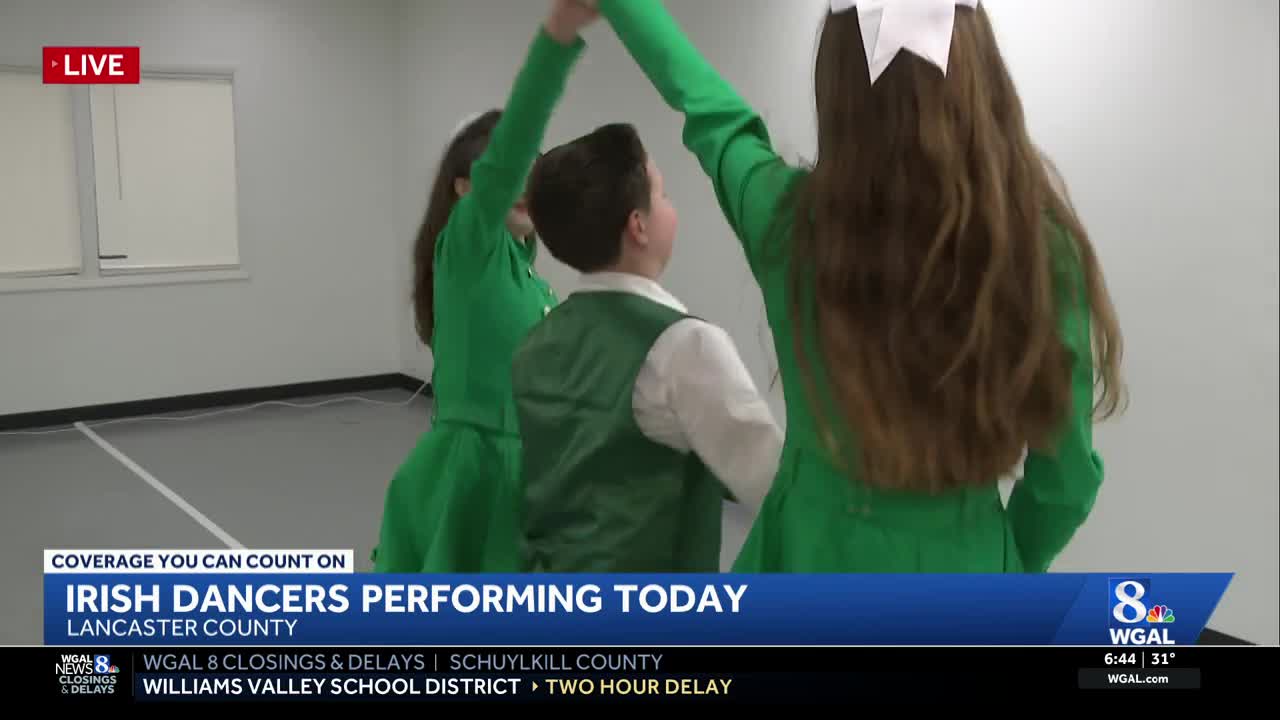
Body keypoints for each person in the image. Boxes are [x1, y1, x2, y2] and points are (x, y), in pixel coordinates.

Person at [589, 0, 1125, 572]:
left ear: (837, 92)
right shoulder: (1042, 253)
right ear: (983, 84)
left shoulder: (788, 221)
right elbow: (1064, 481)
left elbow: (710, 111)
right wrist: (1009, 560)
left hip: (806, 556)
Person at [372, 0, 599, 573]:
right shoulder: (467, 252)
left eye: (535, 170)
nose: (525, 185)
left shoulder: (529, 272)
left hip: (533, 470)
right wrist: (558, 39)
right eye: (508, 172)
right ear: (464, 190)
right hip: (474, 474)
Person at [512, 122, 783, 572]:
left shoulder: (537, 340)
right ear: (638, 226)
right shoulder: (684, 346)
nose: (671, 207)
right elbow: (773, 484)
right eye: (662, 194)